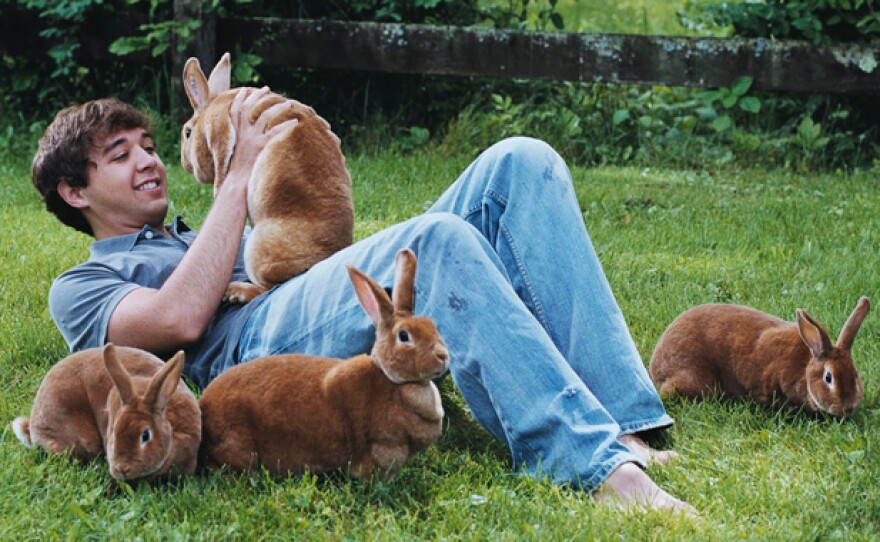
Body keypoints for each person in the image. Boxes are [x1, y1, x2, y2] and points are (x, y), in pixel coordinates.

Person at [32, 88, 693, 514]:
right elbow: (179, 320)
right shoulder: (84, 285)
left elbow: (298, 241)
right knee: (433, 243)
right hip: (256, 352)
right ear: (75, 194)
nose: (149, 160)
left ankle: (622, 418)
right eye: (120, 156)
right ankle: (589, 463)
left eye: (149, 145)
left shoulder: (195, 231)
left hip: (301, 295)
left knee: (521, 162)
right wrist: (235, 179)